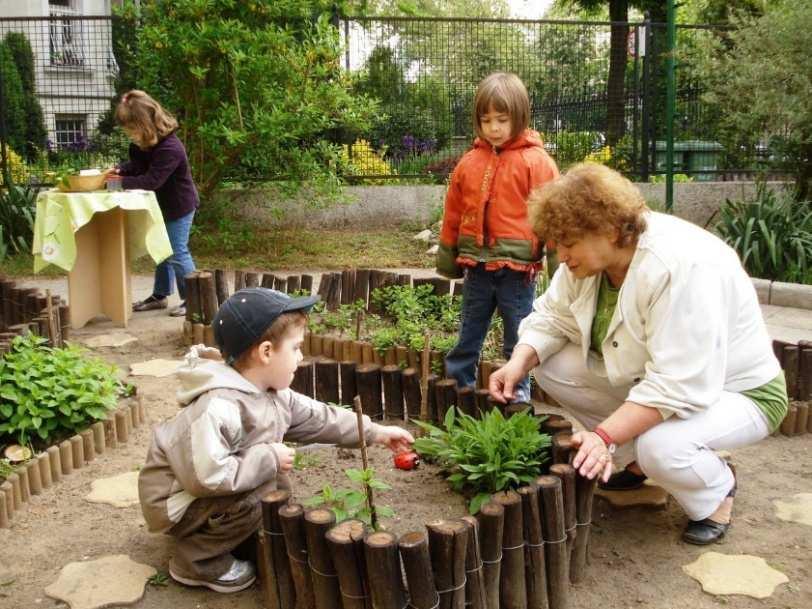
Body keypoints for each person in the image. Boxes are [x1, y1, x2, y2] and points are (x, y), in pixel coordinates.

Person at [490, 163, 787, 545]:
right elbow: (551, 317)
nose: (560, 254)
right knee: (548, 363)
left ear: (610, 229)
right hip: (663, 383)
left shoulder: (676, 266)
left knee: (662, 448)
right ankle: (635, 463)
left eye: (568, 242)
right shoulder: (591, 263)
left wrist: (601, 434)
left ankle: (716, 489)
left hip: (738, 393)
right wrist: (517, 363)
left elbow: (677, 384)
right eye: (556, 242)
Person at [137, 288, 414, 592]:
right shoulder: (218, 407)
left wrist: (375, 432)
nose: (302, 356)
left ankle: (221, 532)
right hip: (176, 503)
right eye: (295, 348)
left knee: (271, 484)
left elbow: (319, 418)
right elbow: (206, 477)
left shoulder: (270, 392)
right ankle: (196, 562)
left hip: (204, 491)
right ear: (266, 352)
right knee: (264, 491)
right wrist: (267, 458)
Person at [436, 72, 559, 402]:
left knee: (516, 341)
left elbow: (555, 216)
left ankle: (516, 402)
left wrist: (559, 265)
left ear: (519, 116)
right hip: (477, 268)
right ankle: (458, 397)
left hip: (518, 273)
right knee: (468, 336)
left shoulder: (537, 163)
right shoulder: (469, 162)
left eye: (502, 119)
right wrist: (448, 259)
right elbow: (453, 213)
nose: (493, 128)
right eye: (486, 119)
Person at [107, 89, 199, 317]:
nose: (129, 135)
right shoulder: (144, 145)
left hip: (179, 207)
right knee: (161, 250)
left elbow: (151, 180)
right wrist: (119, 170)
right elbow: (138, 167)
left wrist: (118, 183)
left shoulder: (170, 148)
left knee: (177, 252)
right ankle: (160, 296)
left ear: (145, 124)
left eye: (131, 129)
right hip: (160, 206)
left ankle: (194, 301)